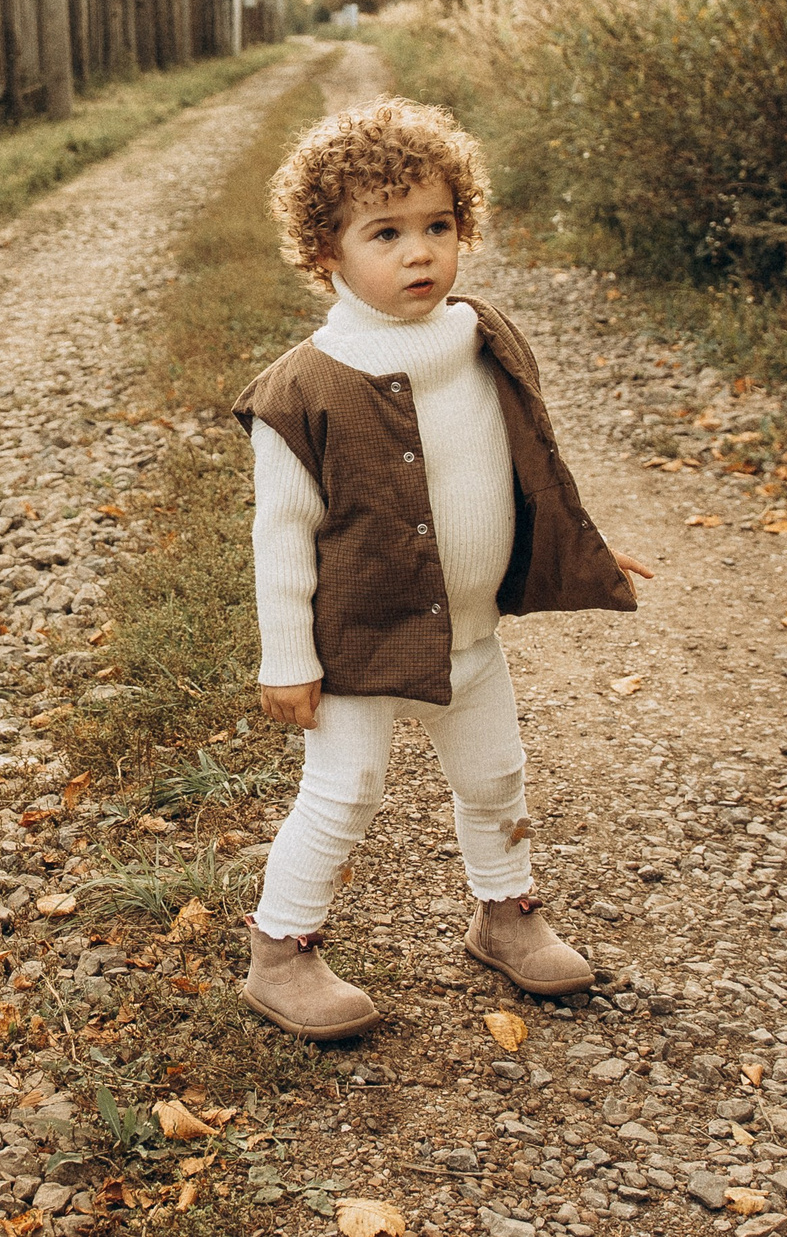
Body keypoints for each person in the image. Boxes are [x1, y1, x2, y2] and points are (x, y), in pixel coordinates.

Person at [229, 98, 653, 1041]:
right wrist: (287, 656)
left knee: (496, 773)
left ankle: (506, 913)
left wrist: (580, 543)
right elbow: (280, 533)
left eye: (439, 226)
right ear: (326, 251)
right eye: (386, 233)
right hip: (356, 642)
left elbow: (529, 462)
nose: (420, 253)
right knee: (345, 790)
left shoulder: (482, 340)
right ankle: (280, 951)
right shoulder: (301, 391)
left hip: (469, 632)